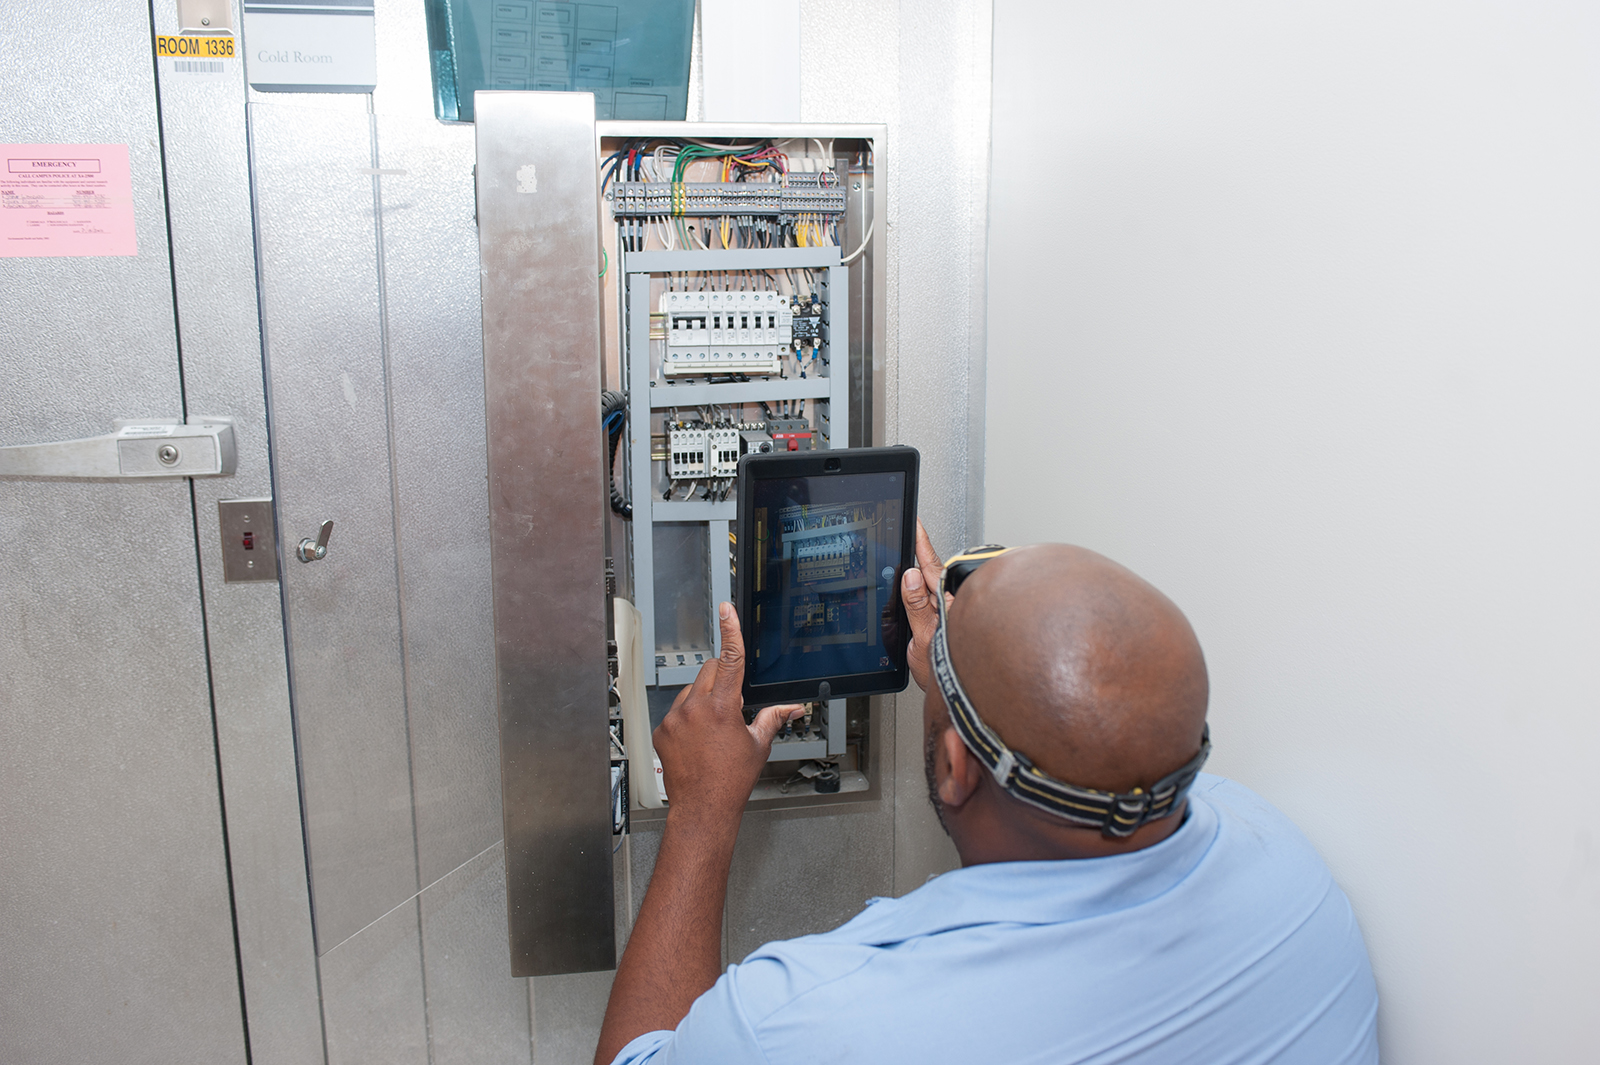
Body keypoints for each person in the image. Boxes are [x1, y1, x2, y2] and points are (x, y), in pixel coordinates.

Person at [595, 525, 1379, 1065]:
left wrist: (700, 814)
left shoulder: (809, 1025)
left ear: (954, 770)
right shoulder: (1292, 875)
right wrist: (993, 653)